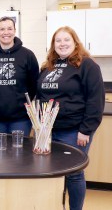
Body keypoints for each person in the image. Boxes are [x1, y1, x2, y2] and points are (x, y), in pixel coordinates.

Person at [37, 26, 105, 210]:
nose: (62, 44)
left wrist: (86, 130)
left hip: (74, 130)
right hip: (49, 131)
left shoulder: (87, 65)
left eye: (66, 40)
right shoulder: (47, 67)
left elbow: (95, 100)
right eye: (58, 41)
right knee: (54, 173)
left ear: (75, 42)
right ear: (53, 45)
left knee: (74, 173)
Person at [0, 16, 39, 135]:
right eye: (2, 29)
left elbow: (34, 84)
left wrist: (22, 102)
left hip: (21, 119)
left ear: (14, 30)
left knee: (19, 152)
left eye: (9, 28)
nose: (6, 32)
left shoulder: (27, 55)